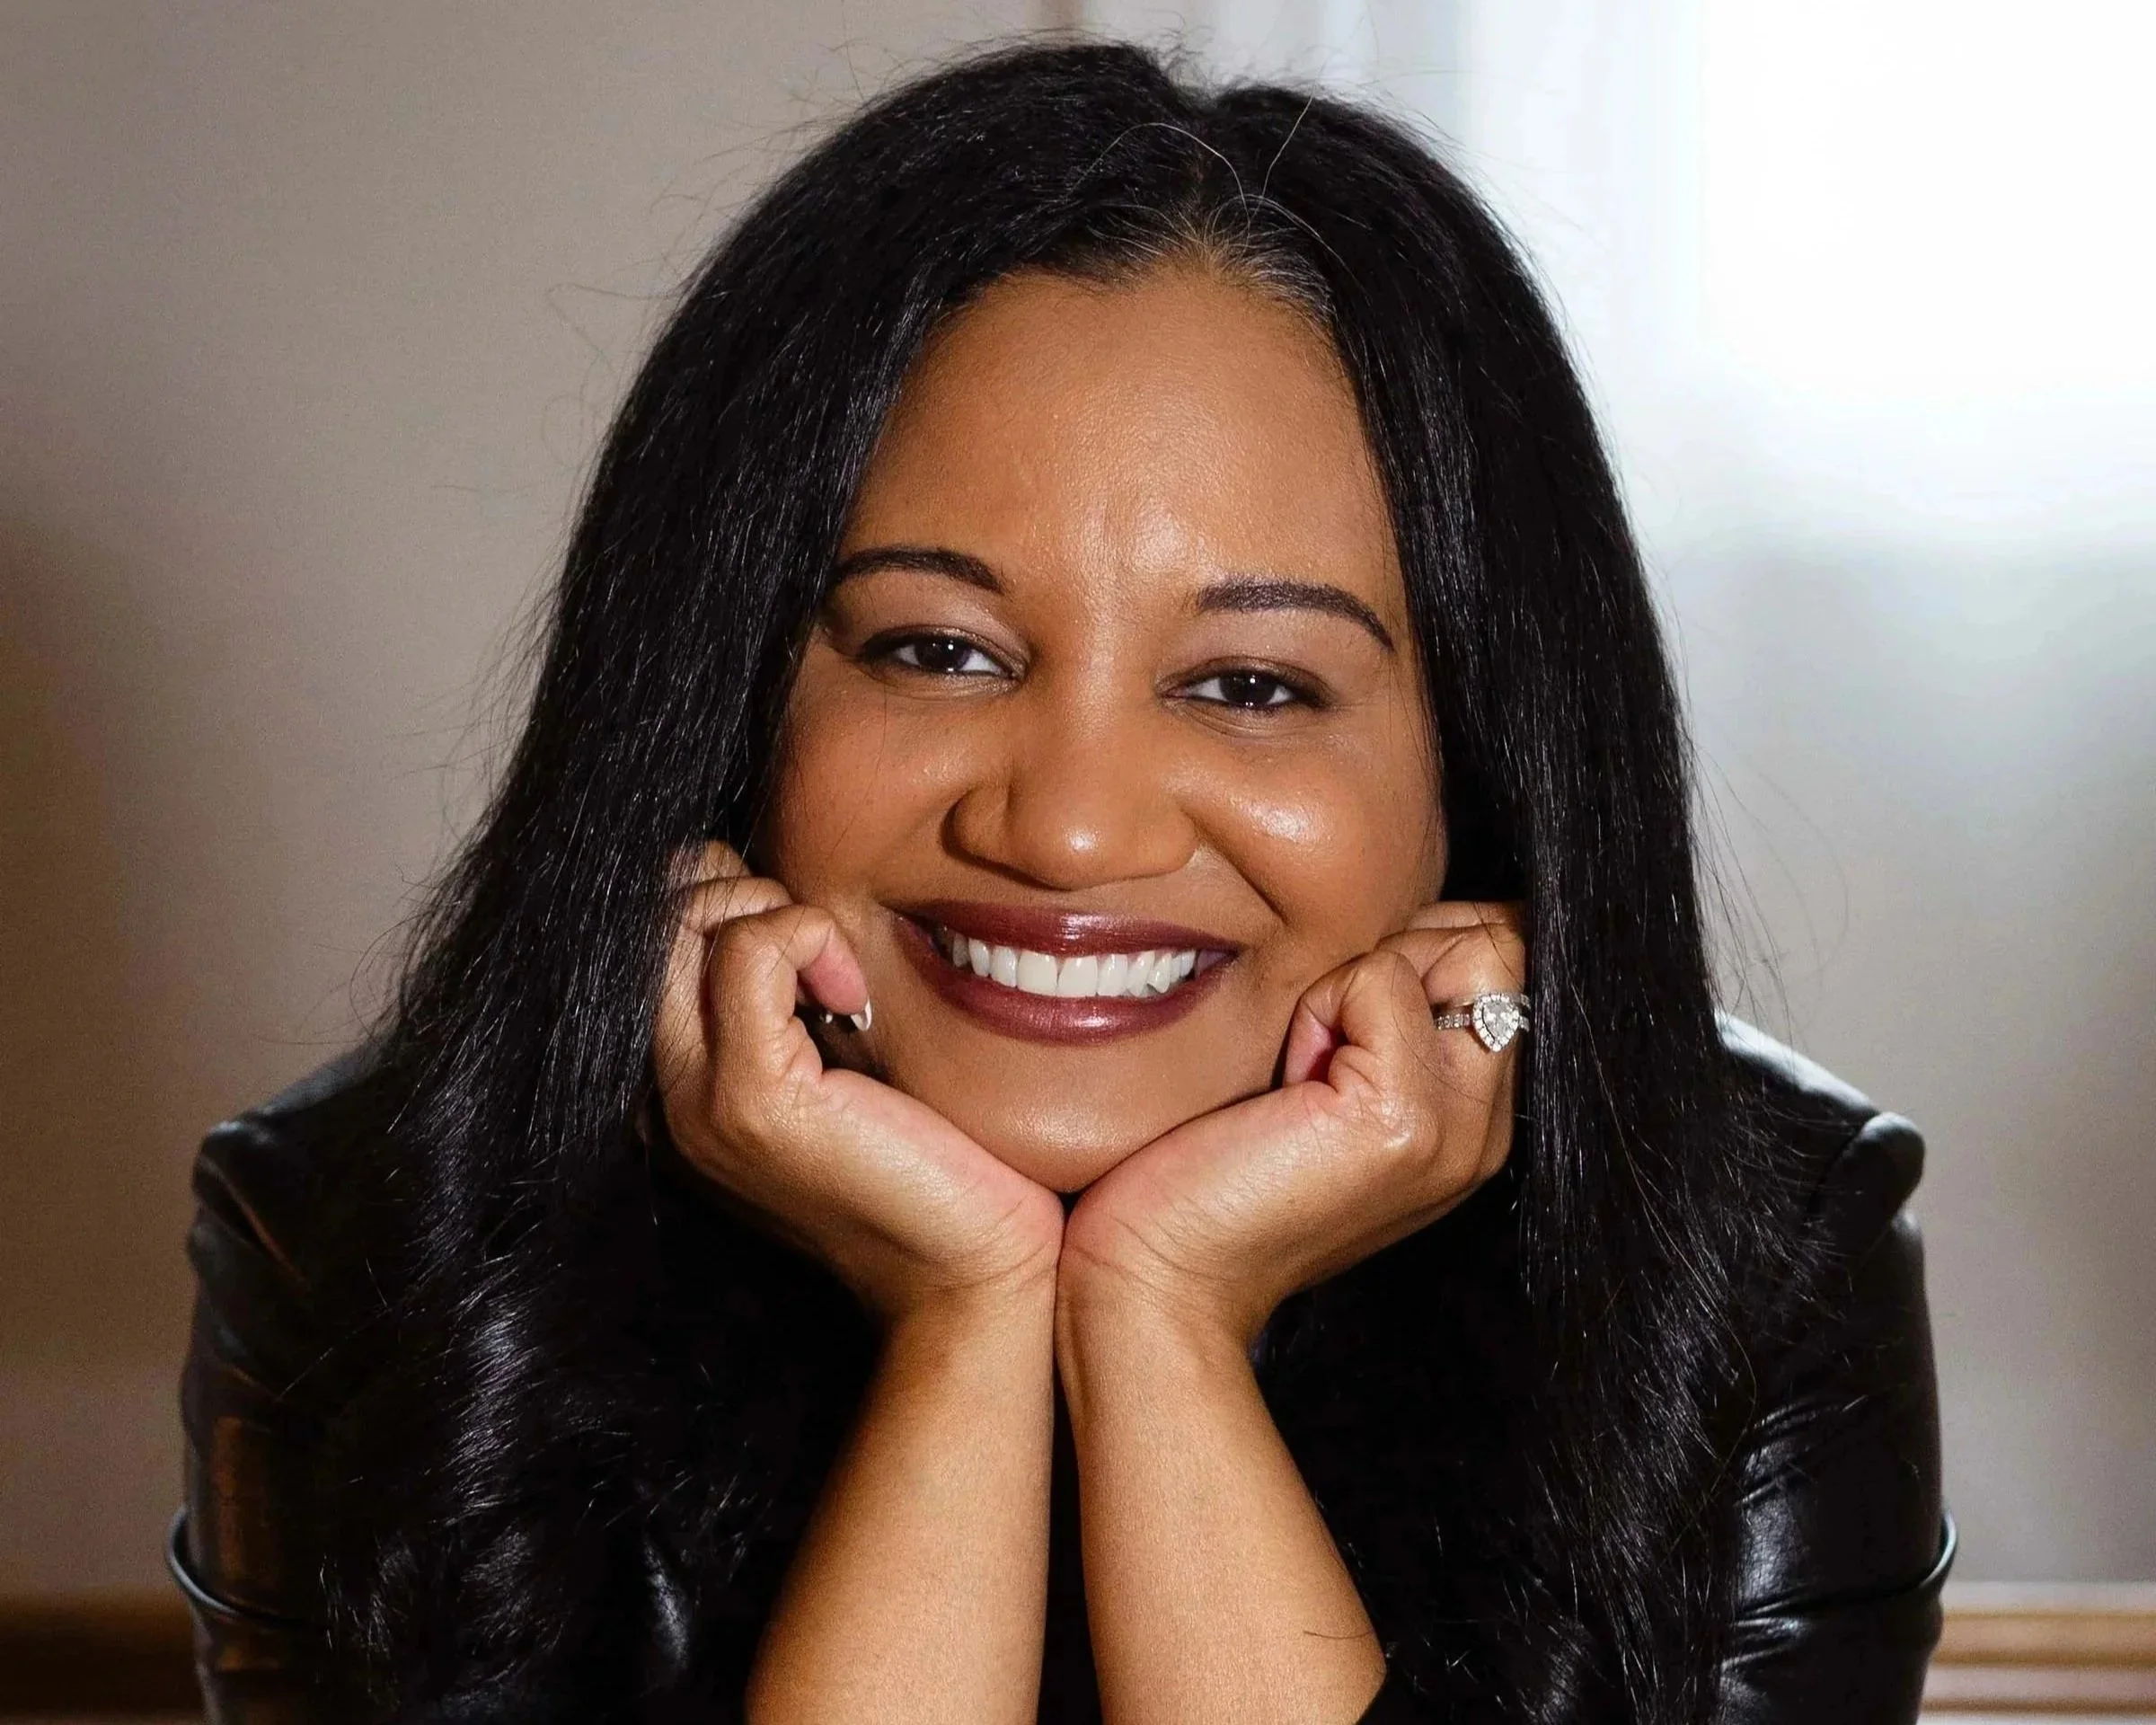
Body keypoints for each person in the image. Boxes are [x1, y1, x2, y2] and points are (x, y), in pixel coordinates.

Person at [172, 39, 1950, 1725]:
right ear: (729, 699)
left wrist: (1161, 1315)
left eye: (1253, 686)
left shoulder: (1753, 1249)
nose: (1073, 830)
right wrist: (966, 1322)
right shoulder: (360, 1233)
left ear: (1478, 766)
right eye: (937, 652)